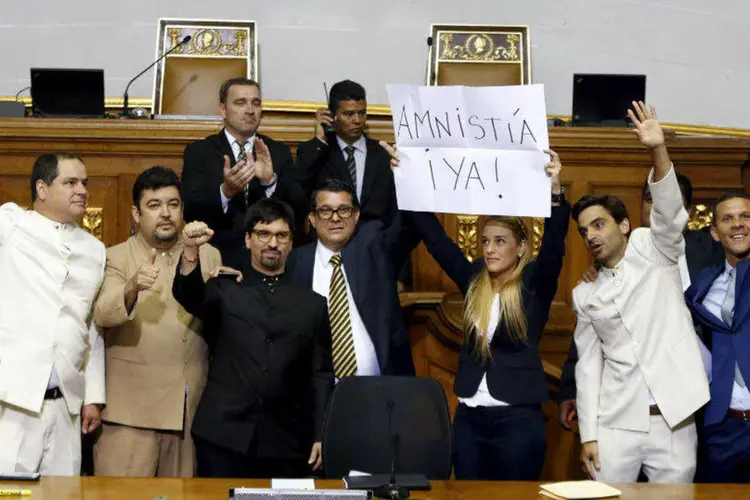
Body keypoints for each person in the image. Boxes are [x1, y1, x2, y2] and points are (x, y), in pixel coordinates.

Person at [399, 150, 569, 480]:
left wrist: (556, 191)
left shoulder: (535, 283)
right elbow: (436, 240)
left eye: (500, 241)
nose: (489, 248)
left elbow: (555, 244)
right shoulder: (475, 280)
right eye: (486, 241)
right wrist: (407, 180)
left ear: (520, 247)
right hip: (469, 421)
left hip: (518, 421)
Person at [572, 102, 709, 483]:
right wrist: (590, 435)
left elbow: (670, 213)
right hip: (616, 422)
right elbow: (588, 367)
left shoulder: (653, 246)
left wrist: (657, 149)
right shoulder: (584, 294)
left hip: (674, 417)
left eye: (598, 224)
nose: (592, 236)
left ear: (626, 224)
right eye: (585, 231)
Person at [172, 199, 333, 478]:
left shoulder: (313, 305)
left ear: (291, 243)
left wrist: (321, 433)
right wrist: (189, 250)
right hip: (223, 436)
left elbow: (319, 375)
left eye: (281, 235)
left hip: (287, 441)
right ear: (248, 240)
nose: (273, 243)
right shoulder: (224, 290)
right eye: (263, 234)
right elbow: (190, 294)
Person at [558, 172, 724, 431]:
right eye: (649, 198)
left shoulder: (712, 247)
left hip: (709, 387)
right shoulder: (616, 255)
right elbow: (594, 334)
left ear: (686, 210)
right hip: (640, 400)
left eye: (664, 198)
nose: (656, 205)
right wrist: (570, 387)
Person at [92, 167, 222, 477]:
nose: (165, 213)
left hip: (188, 415)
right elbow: (103, 313)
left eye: (173, 204)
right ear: (136, 213)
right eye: (154, 205)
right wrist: (132, 287)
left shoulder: (208, 255)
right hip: (129, 417)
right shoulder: (116, 257)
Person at [0, 152, 105, 475]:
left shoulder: (94, 249)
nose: (82, 190)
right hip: (13, 400)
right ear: (42, 189)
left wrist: (93, 396)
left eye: (84, 183)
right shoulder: (12, 225)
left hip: (67, 405)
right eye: (70, 182)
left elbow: (91, 329)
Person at [285, 179, 417, 378]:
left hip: (380, 391)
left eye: (344, 210)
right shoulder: (296, 262)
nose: (335, 218)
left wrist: (409, 173)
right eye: (325, 210)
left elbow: (409, 227)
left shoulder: (375, 249)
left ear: (356, 215)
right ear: (312, 218)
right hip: (315, 395)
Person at [181, 77, 300, 268]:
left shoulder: (278, 151)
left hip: (270, 258)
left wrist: (270, 182)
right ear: (223, 110)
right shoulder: (199, 152)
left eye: (256, 103)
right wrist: (225, 192)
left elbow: (298, 211)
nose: (250, 110)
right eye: (240, 103)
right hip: (217, 256)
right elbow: (190, 211)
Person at [685, 191, 750, 482]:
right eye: (728, 218)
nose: (737, 224)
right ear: (714, 232)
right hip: (722, 426)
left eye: (746, 216)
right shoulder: (703, 286)